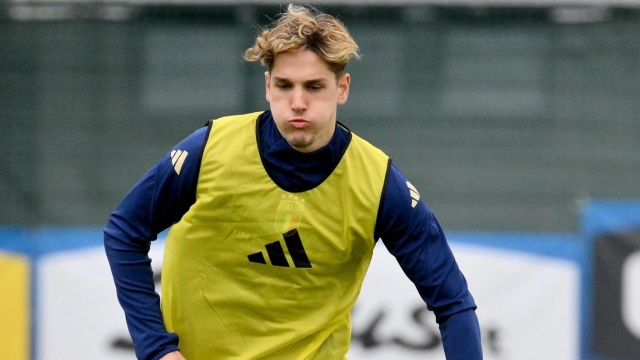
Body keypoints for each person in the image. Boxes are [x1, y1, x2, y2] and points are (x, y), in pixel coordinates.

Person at [104, 4, 482, 360]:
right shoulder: (210, 150)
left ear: (342, 88)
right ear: (268, 86)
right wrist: (156, 347)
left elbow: (453, 303)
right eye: (285, 86)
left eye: (314, 87)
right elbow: (125, 231)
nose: (297, 102)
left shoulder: (380, 184)